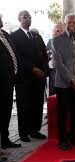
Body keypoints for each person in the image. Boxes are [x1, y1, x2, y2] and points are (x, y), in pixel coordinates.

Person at [51, 13, 75, 150]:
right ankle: (62, 140)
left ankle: (74, 137)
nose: (72, 24)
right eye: (70, 22)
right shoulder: (56, 40)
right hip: (63, 84)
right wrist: (71, 79)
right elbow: (58, 64)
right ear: (65, 24)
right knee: (63, 113)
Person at [11, 10, 48, 142]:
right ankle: (23, 133)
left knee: (37, 104)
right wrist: (32, 68)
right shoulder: (14, 36)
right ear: (19, 19)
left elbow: (44, 53)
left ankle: (34, 130)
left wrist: (43, 68)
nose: (27, 19)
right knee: (24, 105)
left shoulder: (36, 36)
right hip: (24, 78)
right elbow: (17, 57)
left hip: (39, 78)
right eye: (24, 17)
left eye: (29, 17)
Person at [0, 14, 21, 149]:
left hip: (9, 81)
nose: (1, 20)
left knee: (6, 111)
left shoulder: (5, 35)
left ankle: (5, 139)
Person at [46, 23, 65, 96]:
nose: (53, 33)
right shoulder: (50, 42)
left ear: (62, 31)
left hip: (64, 74)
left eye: (56, 30)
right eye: (53, 30)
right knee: (53, 96)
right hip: (53, 73)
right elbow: (47, 56)